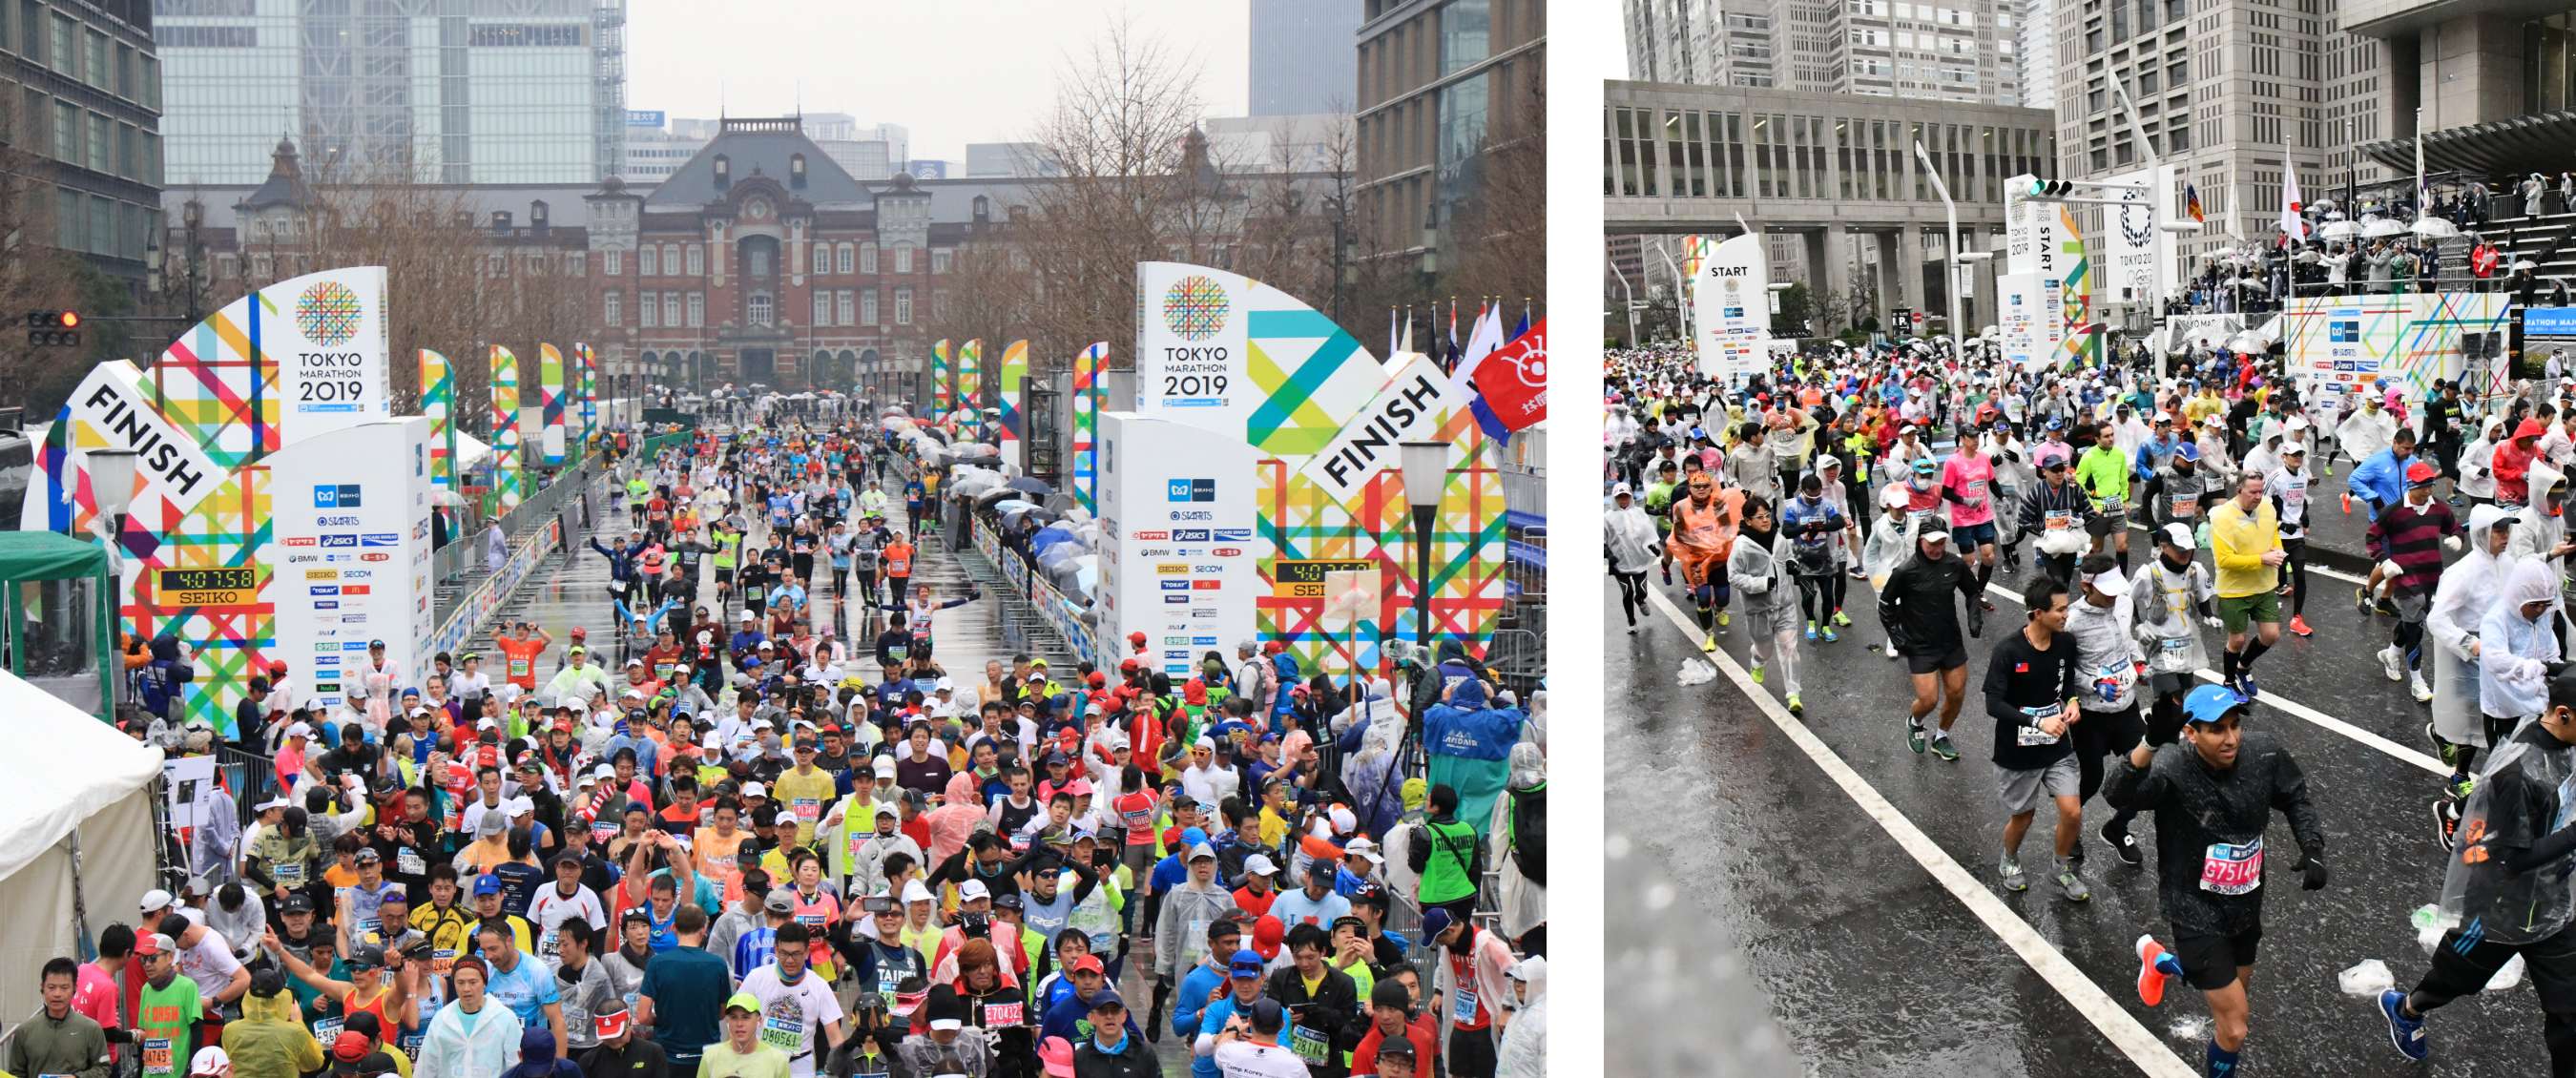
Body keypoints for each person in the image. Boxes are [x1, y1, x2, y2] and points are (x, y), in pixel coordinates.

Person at [2113, 685, 2328, 1078]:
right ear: (2191, 733)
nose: (2230, 739)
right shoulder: (2172, 767)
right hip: (2192, 908)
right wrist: (2149, 743)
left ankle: (2159, 961)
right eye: (2216, 730)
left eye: (2234, 727)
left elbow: (2296, 796)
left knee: (2233, 998)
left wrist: (2312, 847)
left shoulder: (2263, 753)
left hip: (2245, 903)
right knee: (2234, 1026)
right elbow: (2116, 793)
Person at [2377, 666, 2576, 1073]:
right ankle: (2408, 1009)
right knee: (2454, 979)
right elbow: (2511, 859)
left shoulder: (2566, 741)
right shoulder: (2517, 771)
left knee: (2570, 1013)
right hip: (2499, 910)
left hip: (2554, 909)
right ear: (2563, 713)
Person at [1981, 574, 2090, 901]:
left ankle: (2061, 867)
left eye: (2066, 608)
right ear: (2036, 613)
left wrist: (2072, 702)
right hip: (2018, 751)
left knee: (2072, 810)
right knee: (2023, 816)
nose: (2065, 615)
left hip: (2056, 745)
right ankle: (2010, 859)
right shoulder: (2008, 651)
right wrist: (2036, 722)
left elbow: (2067, 682)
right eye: (2058, 610)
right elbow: (1993, 705)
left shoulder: (2066, 643)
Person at [2427, 504, 2518, 845]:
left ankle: (2455, 757)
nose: (2505, 537)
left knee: (2490, 724)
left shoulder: (2508, 564)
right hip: (2469, 656)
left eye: (2508, 530)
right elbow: (2437, 619)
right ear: (2481, 533)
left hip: (2499, 656)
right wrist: (2470, 645)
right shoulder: (2463, 572)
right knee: (2472, 721)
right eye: (2498, 531)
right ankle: (2460, 779)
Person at [1879, 527, 1985, 761]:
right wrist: (1897, 638)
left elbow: (1972, 592)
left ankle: (1941, 737)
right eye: (1932, 544)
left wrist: (1974, 616)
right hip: (1920, 645)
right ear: (1920, 542)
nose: (1937, 549)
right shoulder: (1905, 571)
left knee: (1956, 693)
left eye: (1941, 543)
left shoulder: (1954, 565)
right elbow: (1885, 605)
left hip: (1950, 641)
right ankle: (1915, 722)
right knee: (1928, 699)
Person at [2209, 472, 2289, 697]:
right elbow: (2225, 560)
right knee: (2237, 639)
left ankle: (2243, 667)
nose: (2257, 496)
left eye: (2260, 491)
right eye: (2252, 492)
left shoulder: (2268, 508)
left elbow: (2273, 533)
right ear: (2239, 490)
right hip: (2234, 589)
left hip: (2264, 585)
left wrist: (2276, 548)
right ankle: (2228, 681)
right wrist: (2262, 559)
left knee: (2271, 635)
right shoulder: (2223, 518)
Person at [635, 906, 729, 1074]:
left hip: (667, 1054)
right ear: (703, 930)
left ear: (673, 928)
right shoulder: (718, 965)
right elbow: (722, 1012)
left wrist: (663, 1018)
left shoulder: (657, 964)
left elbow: (642, 1016)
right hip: (706, 1055)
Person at [417, 957, 527, 1078]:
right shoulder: (442, 1019)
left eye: (473, 982)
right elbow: (426, 1066)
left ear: (484, 983)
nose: (466, 989)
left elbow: (516, 1067)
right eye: (460, 982)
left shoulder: (504, 1018)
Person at [15, 956, 113, 1078]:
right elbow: (15, 1073)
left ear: (75, 989)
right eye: (51, 987)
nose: (57, 994)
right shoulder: (24, 1031)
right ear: (42, 988)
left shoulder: (91, 1028)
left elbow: (104, 1068)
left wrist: (77, 1077)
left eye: (64, 988)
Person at [1201, 998, 1309, 1078]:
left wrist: (1233, 1029)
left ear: (1250, 1022)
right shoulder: (1295, 1064)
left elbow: (1219, 1048)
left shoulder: (1230, 1051)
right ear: (1282, 1025)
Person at [1605, 483, 1660, 632]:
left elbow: (1647, 533)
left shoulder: (1639, 513)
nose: (1623, 499)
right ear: (1615, 498)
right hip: (1619, 563)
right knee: (1627, 592)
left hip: (1639, 559)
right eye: (1620, 497)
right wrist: (1609, 555)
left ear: (1630, 496)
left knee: (1641, 590)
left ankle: (1640, 600)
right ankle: (1631, 621)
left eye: (1626, 496)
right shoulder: (1607, 517)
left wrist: (1653, 547)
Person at [694, 993, 790, 1078]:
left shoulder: (778, 1060)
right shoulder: (710, 1056)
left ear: (759, 1021)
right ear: (727, 1021)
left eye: (746, 1017)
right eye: (733, 1017)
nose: (739, 1024)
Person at [1068, 989, 1155, 1077]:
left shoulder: (1144, 1053)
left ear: (1124, 1015)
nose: (1109, 1016)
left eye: (1115, 1011)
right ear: (1091, 1018)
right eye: (1102, 1011)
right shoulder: (1081, 1058)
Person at [1493, 957, 1546, 1078]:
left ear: (1538, 982)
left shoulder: (1544, 1020)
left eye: (1523, 981)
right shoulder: (1519, 1014)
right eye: (1515, 980)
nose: (1517, 986)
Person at [578, 1007, 666, 1078]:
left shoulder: (653, 1052)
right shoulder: (588, 1060)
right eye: (607, 1036)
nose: (613, 1040)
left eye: (618, 1034)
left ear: (629, 1023)